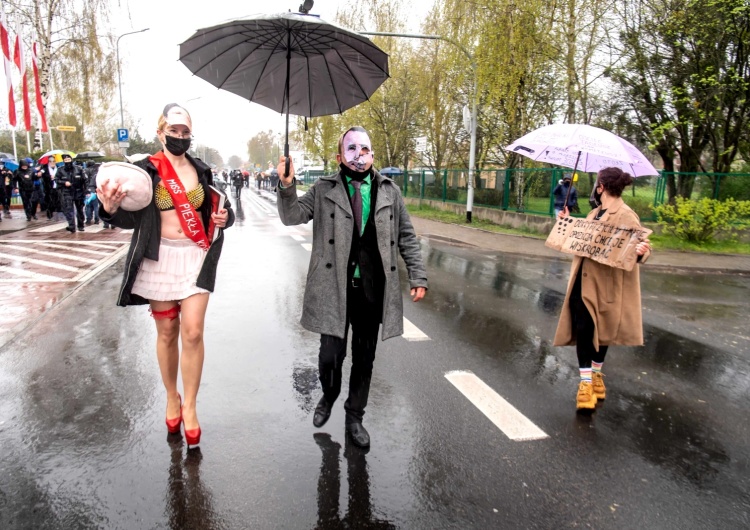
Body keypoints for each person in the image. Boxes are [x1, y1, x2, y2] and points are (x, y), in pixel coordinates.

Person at [276, 126, 428, 449]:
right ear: (339, 156)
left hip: (371, 289)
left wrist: (418, 276)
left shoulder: (390, 192)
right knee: (330, 356)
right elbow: (292, 216)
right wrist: (287, 185)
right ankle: (329, 394)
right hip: (333, 287)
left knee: (364, 357)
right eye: (352, 149)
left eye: (366, 149)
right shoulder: (323, 189)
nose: (360, 155)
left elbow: (407, 238)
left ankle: (354, 416)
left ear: (373, 154)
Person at [98, 103, 234, 448]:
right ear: (161, 133)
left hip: (196, 256)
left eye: (185, 132)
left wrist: (225, 218)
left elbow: (218, 208)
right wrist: (110, 209)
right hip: (159, 260)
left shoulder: (201, 170)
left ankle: (190, 405)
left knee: (193, 331)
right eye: (174, 131)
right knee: (168, 330)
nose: (180, 137)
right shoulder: (145, 172)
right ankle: (171, 396)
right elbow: (130, 219)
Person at [553, 167, 651, 412]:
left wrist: (643, 253)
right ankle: (589, 381)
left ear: (601, 187)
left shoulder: (626, 215)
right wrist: (565, 222)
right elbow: (581, 240)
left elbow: (642, 246)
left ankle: (591, 381)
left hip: (604, 283)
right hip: (582, 279)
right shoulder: (595, 213)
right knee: (585, 328)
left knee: (600, 330)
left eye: (597, 185)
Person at [57, 153, 87, 232]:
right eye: (65, 160)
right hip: (67, 192)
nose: (67, 161)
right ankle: (72, 226)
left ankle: (81, 225)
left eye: (69, 159)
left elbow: (85, 180)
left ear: (71, 160)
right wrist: (64, 183)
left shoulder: (79, 168)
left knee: (80, 210)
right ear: (63, 161)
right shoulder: (60, 170)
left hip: (78, 191)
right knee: (69, 210)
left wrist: (86, 190)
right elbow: (57, 180)